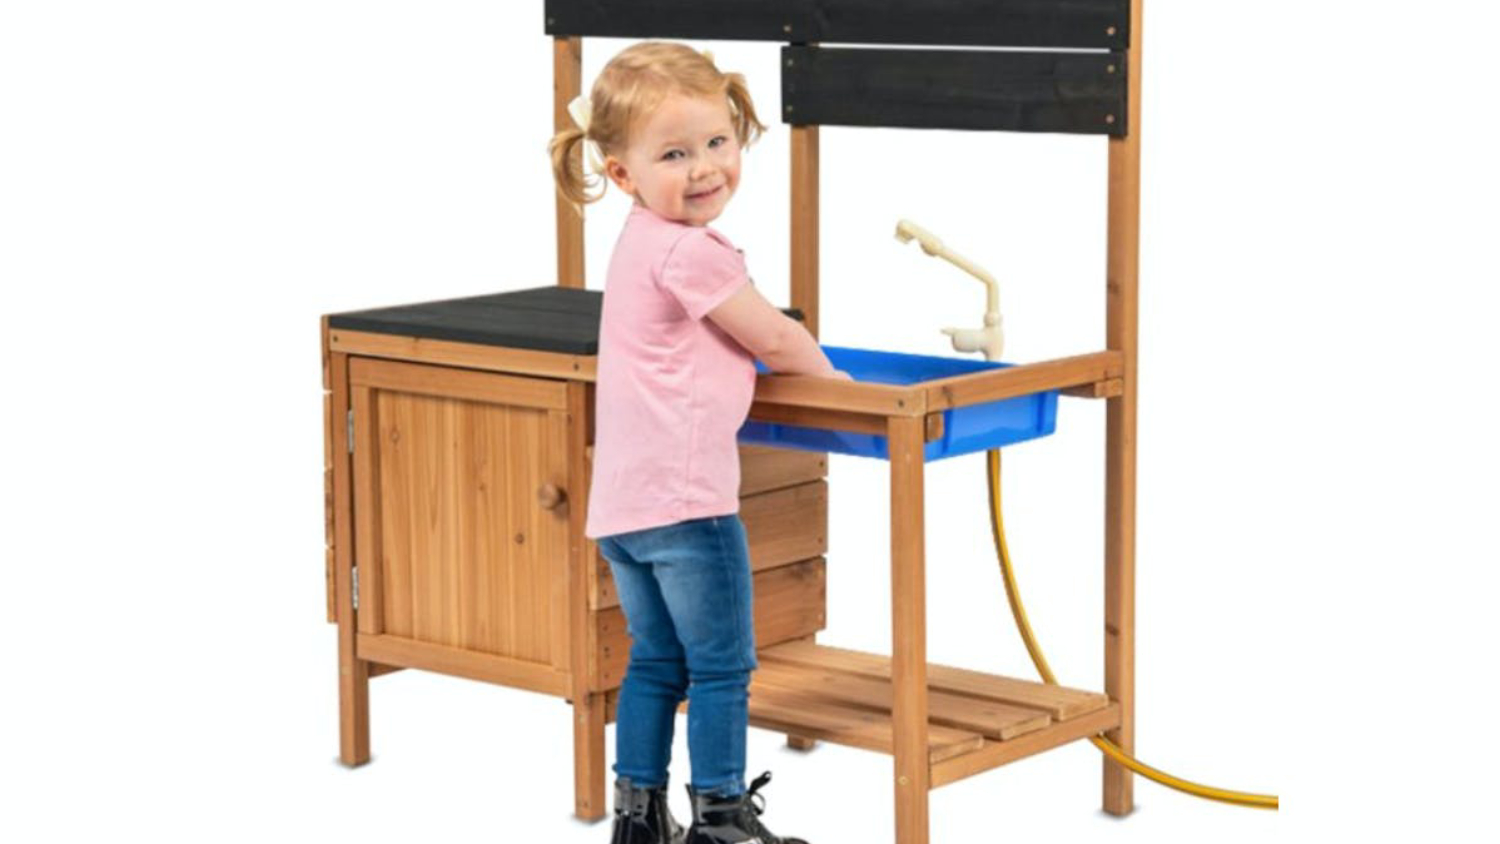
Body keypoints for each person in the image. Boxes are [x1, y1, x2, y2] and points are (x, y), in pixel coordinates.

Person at [548, 41, 846, 844]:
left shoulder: (641, 239)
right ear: (623, 174)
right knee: (721, 666)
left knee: (654, 660)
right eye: (675, 154)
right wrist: (839, 389)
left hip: (624, 507)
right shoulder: (690, 250)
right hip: (688, 507)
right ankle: (721, 820)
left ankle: (639, 818)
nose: (706, 167)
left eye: (717, 142)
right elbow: (773, 337)